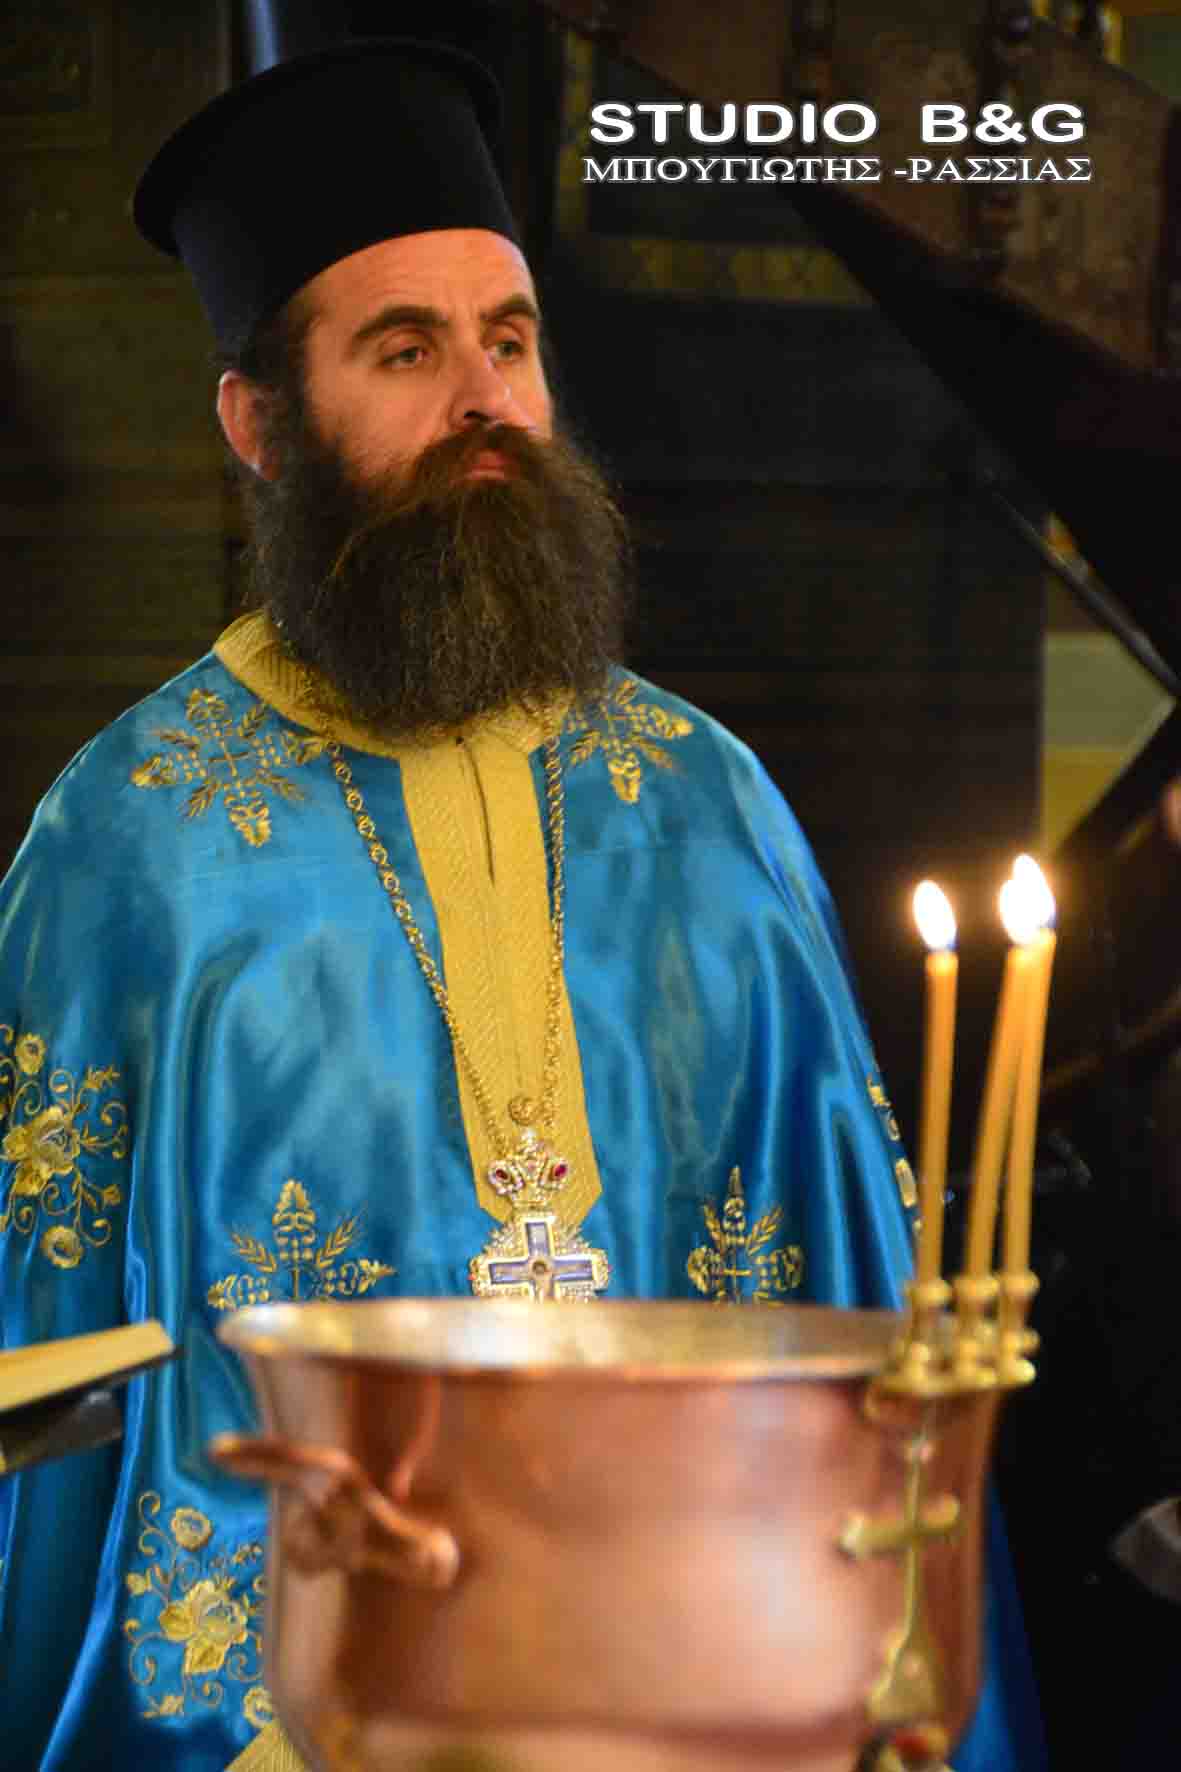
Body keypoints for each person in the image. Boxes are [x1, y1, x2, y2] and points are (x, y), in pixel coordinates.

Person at [0, 38, 1042, 1772]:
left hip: (707, 1690)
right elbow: (48, 1395)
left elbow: (860, 1315)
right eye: (404, 352)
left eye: (510, 339)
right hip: (296, 1716)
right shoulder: (130, 847)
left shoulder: (702, 801)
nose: (484, 399)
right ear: (261, 426)